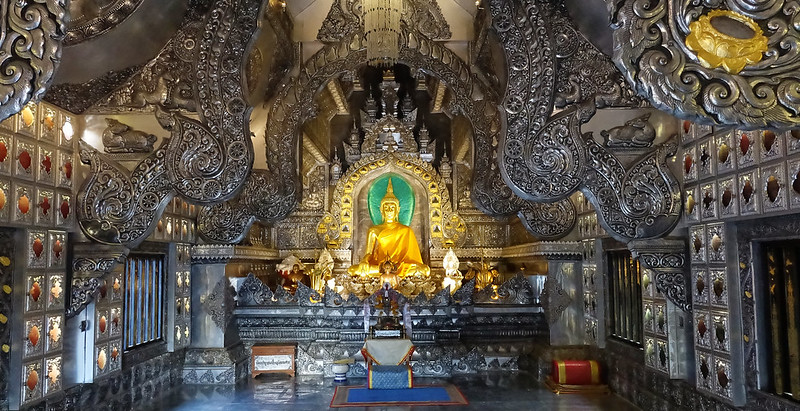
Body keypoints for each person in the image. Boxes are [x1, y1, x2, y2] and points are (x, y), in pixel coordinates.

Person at [347, 178, 430, 278]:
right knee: (352, 270)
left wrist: (399, 266)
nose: (389, 211)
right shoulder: (374, 230)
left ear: (397, 210)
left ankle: (392, 274)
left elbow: (413, 259)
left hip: (401, 267)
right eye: (386, 208)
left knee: (425, 270)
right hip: (381, 267)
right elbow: (368, 253)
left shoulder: (406, 230)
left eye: (392, 208)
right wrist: (364, 261)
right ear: (381, 210)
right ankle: (390, 275)